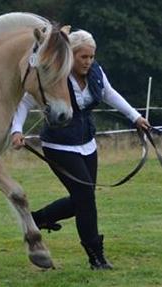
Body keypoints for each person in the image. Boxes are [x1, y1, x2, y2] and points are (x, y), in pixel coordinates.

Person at [11, 29, 150, 270]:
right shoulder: (55, 76)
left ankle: (38, 219)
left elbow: (109, 94)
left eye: (91, 57)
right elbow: (25, 101)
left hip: (88, 144)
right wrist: (16, 130)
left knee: (83, 199)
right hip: (59, 145)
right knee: (85, 199)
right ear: (70, 55)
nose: (88, 62)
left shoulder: (96, 72)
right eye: (83, 57)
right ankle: (96, 255)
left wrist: (136, 117)